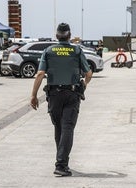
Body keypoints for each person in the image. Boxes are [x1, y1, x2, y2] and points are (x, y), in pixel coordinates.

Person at [30, 23, 92, 176]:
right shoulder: (77, 50)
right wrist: (83, 84)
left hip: (54, 95)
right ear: (69, 36)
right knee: (68, 128)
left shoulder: (48, 51)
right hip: (71, 94)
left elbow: (40, 74)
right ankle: (61, 164)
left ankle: (61, 161)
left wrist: (33, 95)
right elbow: (88, 73)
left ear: (57, 36)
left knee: (59, 128)